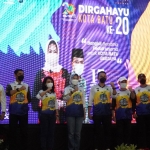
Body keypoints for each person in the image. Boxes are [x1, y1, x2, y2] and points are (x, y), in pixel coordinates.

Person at [32, 39, 69, 123]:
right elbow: (34, 101)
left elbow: (69, 95)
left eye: (55, 51)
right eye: (50, 51)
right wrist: (47, 102)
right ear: (46, 53)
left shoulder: (65, 73)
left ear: (58, 53)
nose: (52, 54)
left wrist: (62, 103)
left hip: (62, 116)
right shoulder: (40, 74)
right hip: (44, 114)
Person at [88, 71, 116, 150]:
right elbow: (90, 101)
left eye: (104, 76)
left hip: (107, 113)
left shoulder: (109, 88)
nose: (102, 77)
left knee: (107, 131)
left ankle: (107, 147)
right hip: (97, 113)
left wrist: (113, 87)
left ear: (106, 78)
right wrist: (89, 113)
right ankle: (96, 147)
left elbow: (114, 96)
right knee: (97, 132)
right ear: (98, 78)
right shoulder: (93, 88)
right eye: (101, 76)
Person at [6, 69, 31, 150]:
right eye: (20, 74)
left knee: (24, 132)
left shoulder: (26, 86)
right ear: (15, 75)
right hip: (13, 112)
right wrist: (18, 89)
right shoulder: (10, 85)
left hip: (23, 112)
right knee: (12, 132)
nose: (21, 75)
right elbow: (8, 93)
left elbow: (29, 98)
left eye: (22, 74)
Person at [36, 76, 59, 150]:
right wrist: (46, 90)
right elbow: (38, 97)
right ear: (45, 83)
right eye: (48, 82)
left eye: (51, 82)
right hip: (44, 115)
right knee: (44, 133)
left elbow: (56, 104)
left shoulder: (53, 93)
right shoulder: (41, 91)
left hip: (52, 115)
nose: (50, 83)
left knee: (51, 133)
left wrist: (57, 113)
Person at [63, 74, 85, 150]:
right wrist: (72, 92)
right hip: (70, 113)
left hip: (79, 113)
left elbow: (84, 102)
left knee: (78, 133)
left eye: (76, 78)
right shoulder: (67, 88)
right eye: (73, 78)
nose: (75, 80)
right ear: (71, 79)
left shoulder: (81, 89)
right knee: (71, 133)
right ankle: (71, 148)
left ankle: (77, 148)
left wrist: (84, 113)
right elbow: (65, 98)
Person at [112, 77, 135, 146]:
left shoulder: (129, 91)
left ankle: (127, 147)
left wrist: (131, 91)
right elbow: (113, 105)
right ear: (119, 83)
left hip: (128, 116)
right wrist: (113, 116)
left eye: (125, 81)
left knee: (127, 133)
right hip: (119, 116)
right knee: (119, 133)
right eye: (122, 82)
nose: (124, 83)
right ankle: (120, 147)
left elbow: (133, 99)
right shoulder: (116, 92)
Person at [133, 73, 150, 149]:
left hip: (149, 113)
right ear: (138, 80)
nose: (142, 79)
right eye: (140, 78)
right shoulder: (136, 90)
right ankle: (142, 146)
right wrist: (134, 112)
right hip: (140, 114)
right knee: (141, 131)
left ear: (146, 78)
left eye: (143, 77)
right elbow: (133, 102)